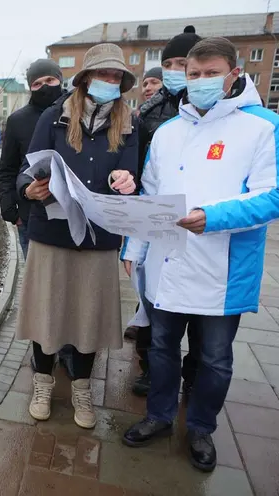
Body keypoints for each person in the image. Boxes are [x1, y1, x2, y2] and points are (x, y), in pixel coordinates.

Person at [121, 37, 279, 472]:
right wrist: (134, 247)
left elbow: (273, 196)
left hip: (221, 270)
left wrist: (212, 217)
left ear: (233, 75)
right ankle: (158, 416)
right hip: (166, 263)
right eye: (194, 74)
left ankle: (201, 427)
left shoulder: (262, 126)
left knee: (213, 358)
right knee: (162, 349)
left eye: (211, 73)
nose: (201, 81)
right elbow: (151, 194)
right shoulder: (171, 130)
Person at [16, 43, 138, 428]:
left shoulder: (128, 123)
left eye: (117, 76)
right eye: (103, 74)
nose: (110, 81)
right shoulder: (54, 116)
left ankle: (82, 389)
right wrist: (28, 188)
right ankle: (42, 382)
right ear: (85, 78)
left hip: (98, 237)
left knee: (88, 317)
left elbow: (133, 173)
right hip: (51, 232)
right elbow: (27, 168)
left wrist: (126, 179)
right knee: (45, 313)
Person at [126, 26, 203, 398]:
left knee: (201, 315)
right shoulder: (151, 112)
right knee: (151, 299)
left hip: (200, 224)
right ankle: (149, 366)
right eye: (168, 63)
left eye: (182, 63)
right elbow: (143, 169)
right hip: (154, 217)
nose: (174, 69)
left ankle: (193, 375)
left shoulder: (214, 113)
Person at [0, 59, 65, 256]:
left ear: (60, 80)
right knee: (37, 283)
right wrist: (12, 212)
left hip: (69, 217)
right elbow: (7, 169)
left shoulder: (74, 113)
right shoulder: (18, 121)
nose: (44, 87)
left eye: (50, 80)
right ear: (30, 87)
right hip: (31, 217)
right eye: (37, 83)